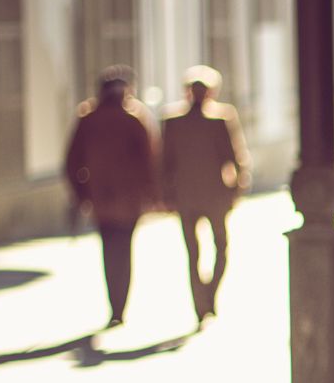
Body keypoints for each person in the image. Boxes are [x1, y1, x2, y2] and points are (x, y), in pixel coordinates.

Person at [64, 65, 159, 328]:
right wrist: (152, 193)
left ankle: (115, 304)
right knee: (123, 249)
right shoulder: (134, 118)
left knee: (110, 250)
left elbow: (72, 162)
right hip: (128, 200)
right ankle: (119, 305)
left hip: (102, 199)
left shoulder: (89, 118)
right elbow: (150, 160)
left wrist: (82, 192)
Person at [161, 65, 249, 324]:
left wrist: (236, 189)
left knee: (203, 250)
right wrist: (236, 190)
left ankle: (204, 298)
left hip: (198, 196)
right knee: (210, 249)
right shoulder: (177, 121)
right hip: (206, 196)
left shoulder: (217, 119)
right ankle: (205, 298)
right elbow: (234, 157)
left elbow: (233, 157)